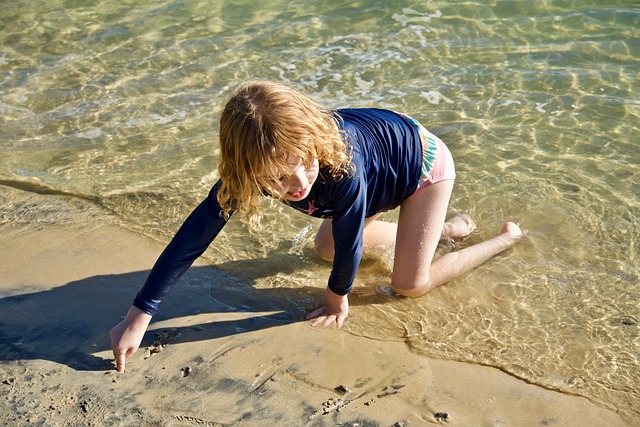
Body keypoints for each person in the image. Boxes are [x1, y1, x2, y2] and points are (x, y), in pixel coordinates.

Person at [110, 80, 525, 372]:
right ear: (249, 166)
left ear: (311, 141)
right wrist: (139, 315)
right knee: (322, 249)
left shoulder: (339, 163)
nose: (299, 186)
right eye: (278, 180)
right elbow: (194, 236)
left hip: (420, 166)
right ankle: (445, 232)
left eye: (304, 167)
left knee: (407, 285)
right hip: (378, 176)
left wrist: (335, 298)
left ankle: (502, 240)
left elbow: (350, 241)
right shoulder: (254, 165)